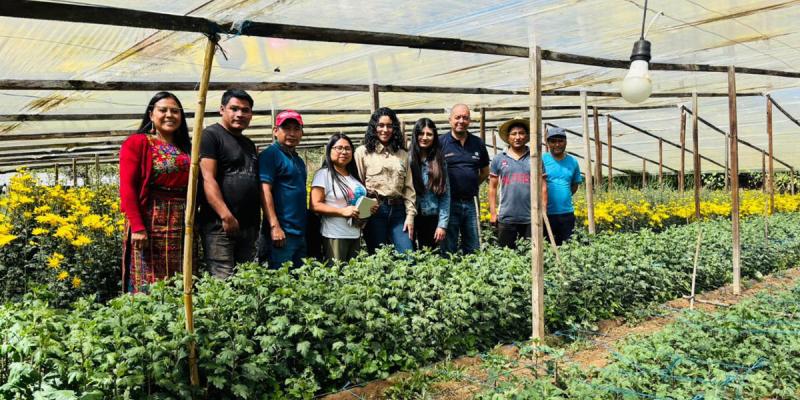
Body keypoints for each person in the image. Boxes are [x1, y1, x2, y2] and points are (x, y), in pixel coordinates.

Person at [119, 91, 191, 293]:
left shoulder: (185, 148)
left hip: (181, 221)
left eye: (175, 111)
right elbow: (127, 187)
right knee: (148, 277)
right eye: (163, 110)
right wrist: (138, 227)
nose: (170, 115)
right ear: (151, 114)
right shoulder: (138, 143)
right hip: (150, 218)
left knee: (178, 275)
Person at [198, 89, 259, 279]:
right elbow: (208, 178)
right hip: (221, 225)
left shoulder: (248, 144)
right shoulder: (210, 136)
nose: (240, 114)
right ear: (222, 110)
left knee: (246, 279)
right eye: (234, 108)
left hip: (249, 226)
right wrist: (225, 215)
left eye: (245, 110)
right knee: (222, 279)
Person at [354, 107, 416, 253]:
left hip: (399, 211)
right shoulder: (363, 153)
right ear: (374, 127)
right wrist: (362, 214)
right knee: (378, 256)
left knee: (408, 254)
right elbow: (358, 186)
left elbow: (409, 188)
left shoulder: (402, 155)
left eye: (389, 126)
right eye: (381, 125)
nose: (385, 130)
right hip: (374, 211)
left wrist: (410, 215)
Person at [259, 110, 308, 268]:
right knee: (280, 282)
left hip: (299, 232)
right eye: (286, 128)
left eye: (296, 129)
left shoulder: (298, 160)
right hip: (282, 233)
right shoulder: (270, 155)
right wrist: (275, 226)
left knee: (299, 281)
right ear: (275, 131)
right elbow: (264, 190)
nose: (292, 133)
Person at [488, 118, 547, 249]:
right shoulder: (499, 159)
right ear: (508, 137)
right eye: (514, 134)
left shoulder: (535, 158)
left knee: (531, 255)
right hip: (506, 217)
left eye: (521, 133)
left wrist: (543, 211)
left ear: (526, 136)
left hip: (531, 218)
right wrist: (493, 213)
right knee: (506, 255)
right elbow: (492, 188)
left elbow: (543, 186)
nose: (518, 137)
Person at [439, 104, 490, 255]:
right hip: (449, 202)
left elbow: (485, 171)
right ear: (450, 120)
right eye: (457, 117)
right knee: (449, 247)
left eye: (465, 118)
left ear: (470, 121)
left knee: (473, 245)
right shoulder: (441, 143)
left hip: (471, 202)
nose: (461, 121)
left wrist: (471, 184)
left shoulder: (477, 143)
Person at [310, 133, 367, 262]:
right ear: (329, 150)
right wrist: (342, 211)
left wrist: (368, 209)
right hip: (335, 235)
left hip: (355, 234)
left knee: (354, 276)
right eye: (339, 148)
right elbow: (315, 205)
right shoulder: (323, 174)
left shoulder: (354, 177)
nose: (344, 152)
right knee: (336, 275)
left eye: (347, 148)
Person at [408, 118, 450, 253]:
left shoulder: (439, 161)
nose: (424, 137)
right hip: (408, 215)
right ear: (415, 135)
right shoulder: (406, 159)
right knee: (408, 254)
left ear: (434, 137)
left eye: (429, 134)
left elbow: (445, 195)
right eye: (421, 133)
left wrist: (442, 225)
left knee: (429, 256)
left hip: (431, 216)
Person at [543, 126, 582, 245]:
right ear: (547, 143)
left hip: (566, 213)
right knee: (547, 247)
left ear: (565, 142)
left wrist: (564, 197)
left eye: (560, 141)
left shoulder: (573, 161)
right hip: (546, 213)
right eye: (553, 141)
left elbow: (574, 185)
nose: (557, 144)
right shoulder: (541, 159)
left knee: (568, 247)